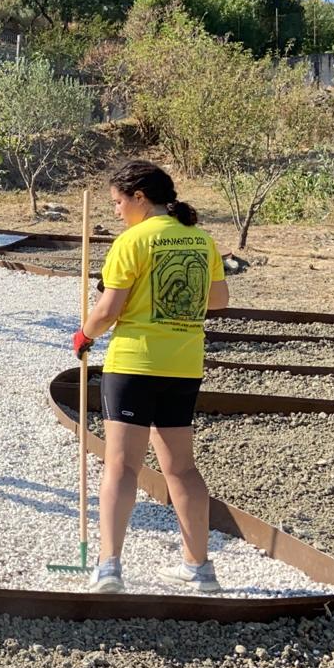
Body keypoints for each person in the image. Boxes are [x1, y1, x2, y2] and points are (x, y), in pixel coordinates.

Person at [72, 161, 230, 595]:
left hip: (134, 365)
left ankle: (109, 568)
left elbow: (108, 311)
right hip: (183, 366)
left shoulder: (132, 242)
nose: (118, 211)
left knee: (122, 467)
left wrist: (83, 334)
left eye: (119, 202)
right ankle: (199, 569)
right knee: (181, 468)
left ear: (140, 197)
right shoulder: (202, 241)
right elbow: (218, 299)